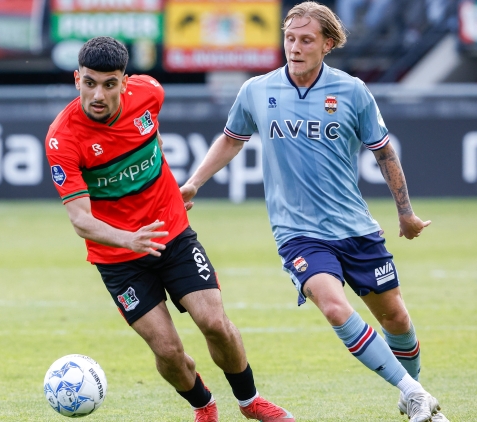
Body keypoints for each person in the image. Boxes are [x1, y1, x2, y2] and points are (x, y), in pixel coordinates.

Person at [180, 3, 449, 422]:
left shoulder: (352, 91)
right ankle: (414, 393)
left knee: (395, 317)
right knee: (334, 307)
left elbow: (383, 152)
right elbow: (232, 139)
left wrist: (406, 214)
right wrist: (195, 182)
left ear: (328, 44)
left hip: (354, 227)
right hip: (298, 233)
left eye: (306, 40)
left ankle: (412, 392)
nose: (295, 47)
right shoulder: (257, 90)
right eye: (290, 38)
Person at [45, 36, 295, 422]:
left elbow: (151, 136)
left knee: (214, 323)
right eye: (90, 83)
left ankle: (250, 402)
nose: (98, 94)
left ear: (124, 82)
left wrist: (168, 190)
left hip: (171, 233)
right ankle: (203, 405)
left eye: (109, 84)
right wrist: (130, 239)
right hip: (118, 257)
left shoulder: (149, 92)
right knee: (167, 350)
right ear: (77, 79)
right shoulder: (62, 138)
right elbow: (80, 219)